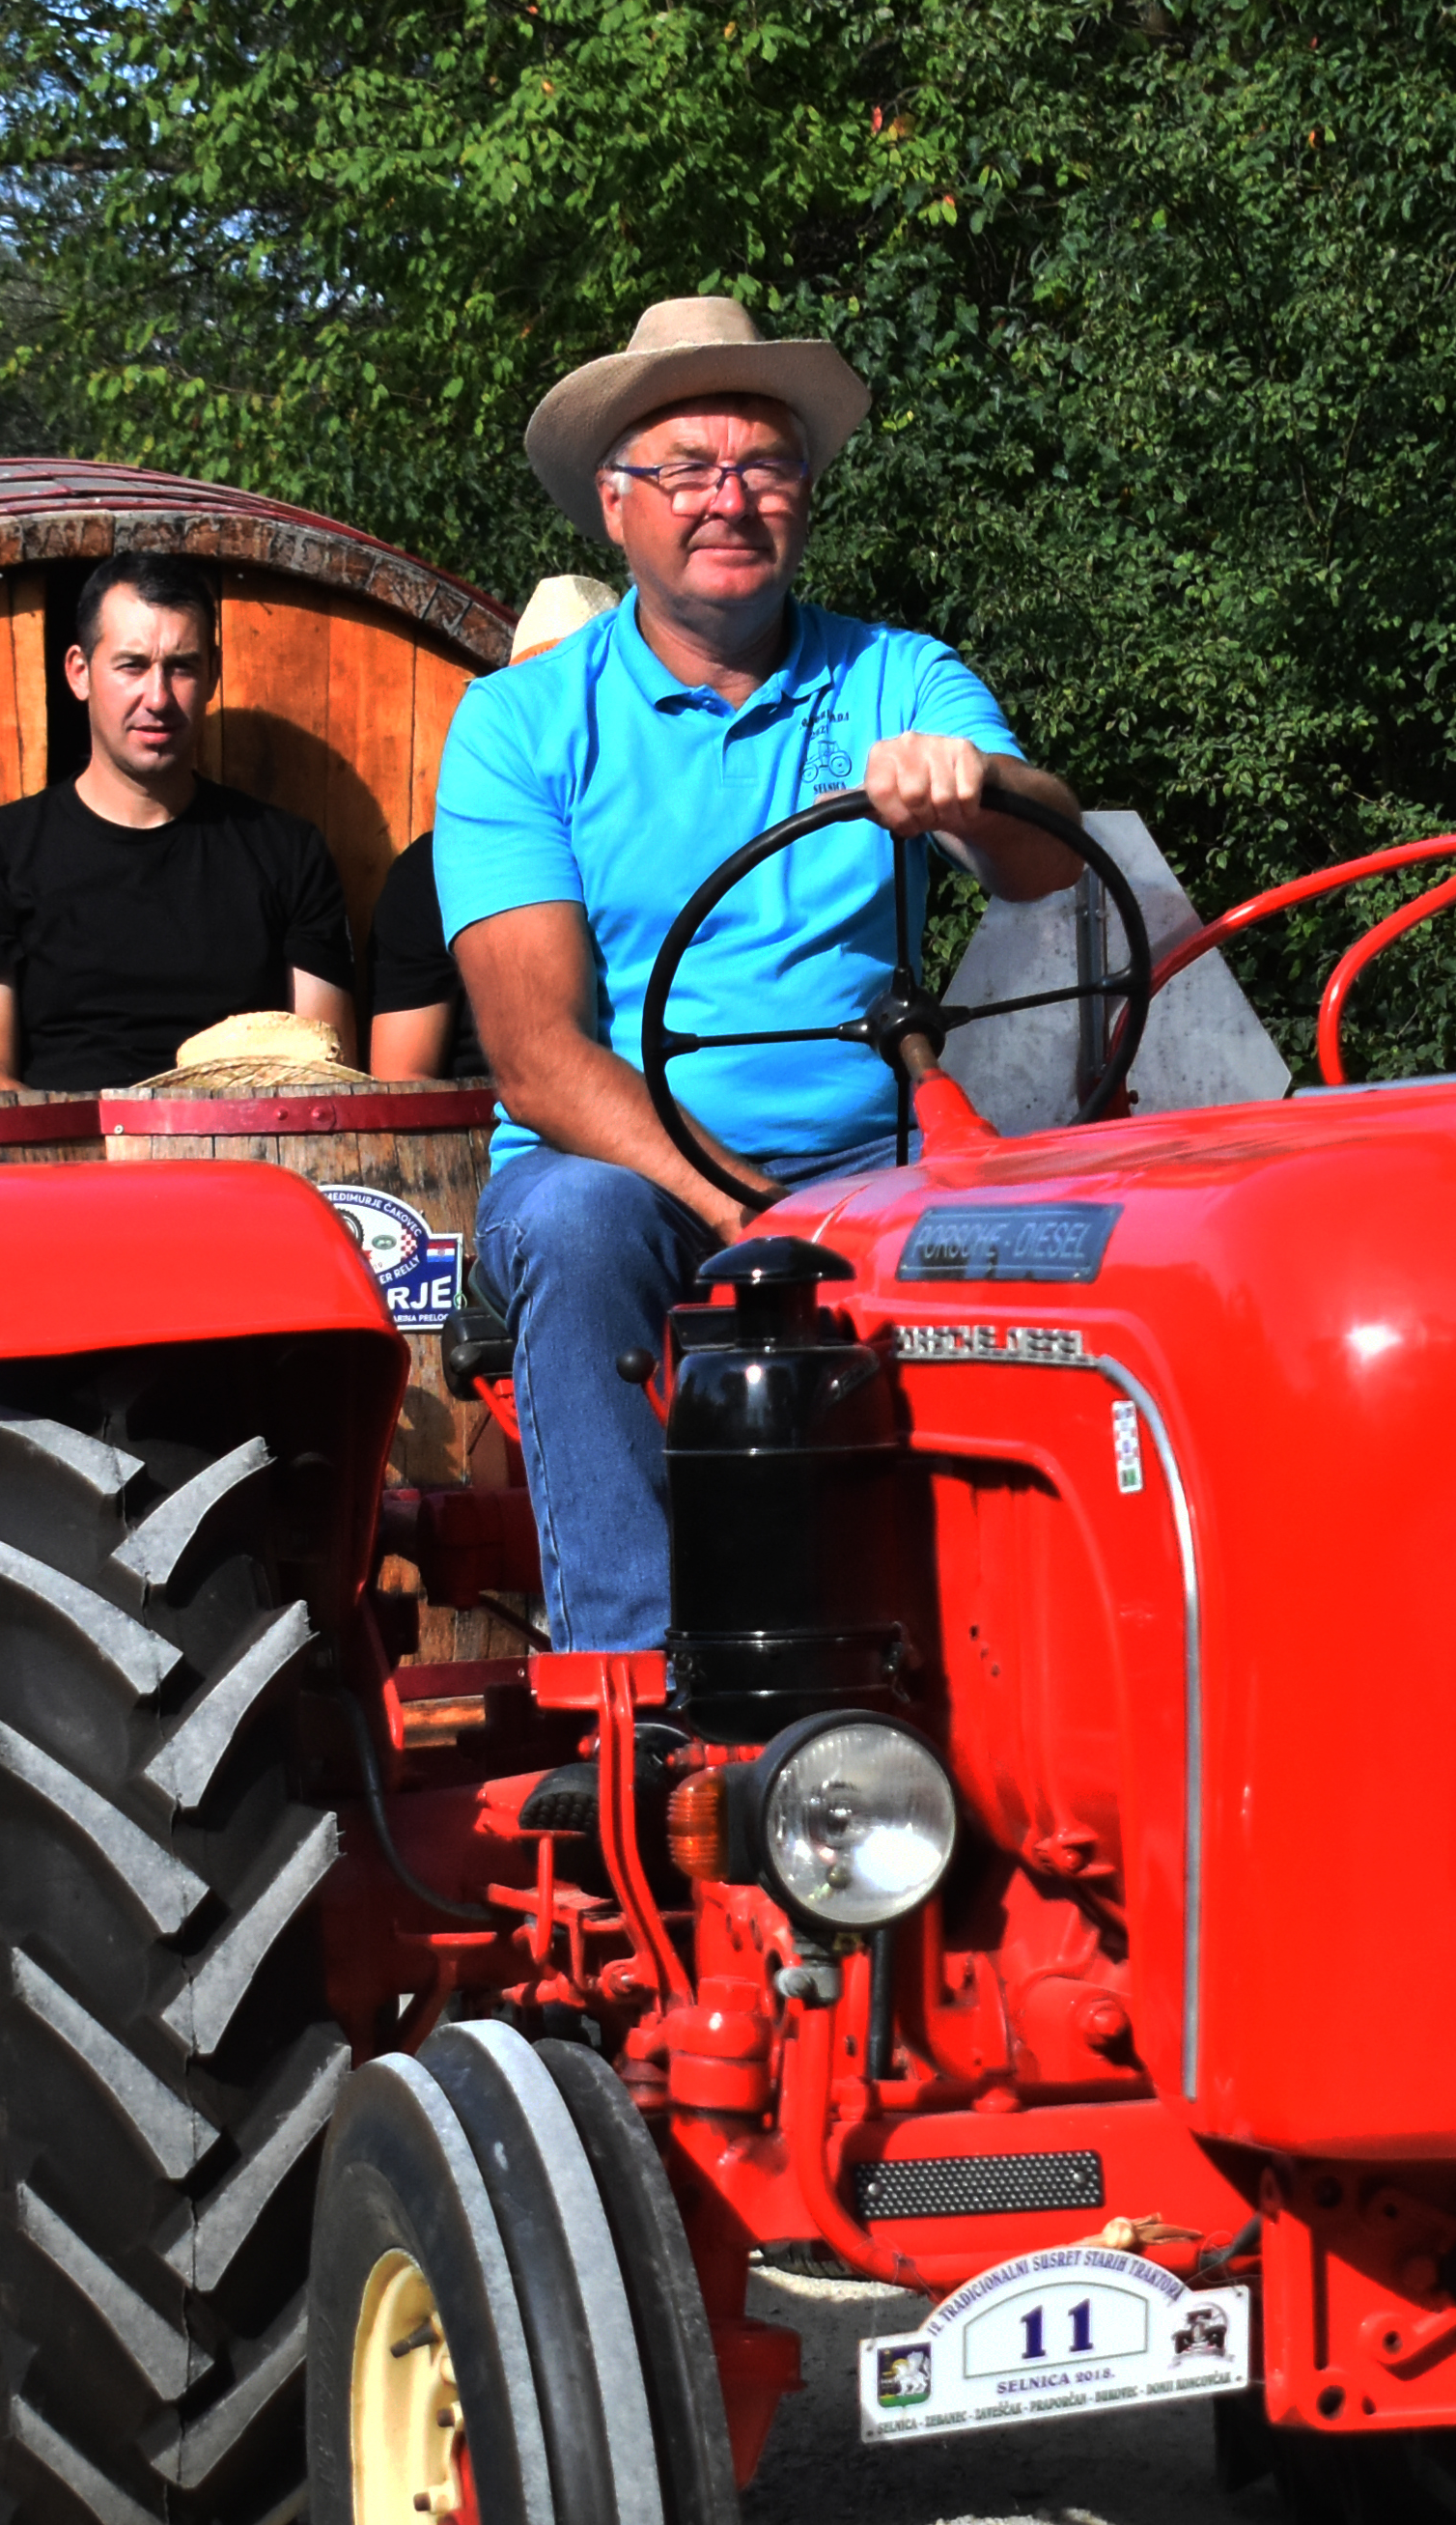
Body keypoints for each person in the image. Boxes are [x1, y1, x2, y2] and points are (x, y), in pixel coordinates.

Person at [441, 296, 1087, 1649]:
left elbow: (1048, 862)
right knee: (578, 1225)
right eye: (687, 469)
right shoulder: (520, 723)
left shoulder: (895, 674)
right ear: (616, 507)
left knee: (1101, 1239)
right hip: (633, 1175)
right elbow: (538, 1057)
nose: (727, 500)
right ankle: (642, 1680)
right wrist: (742, 1205)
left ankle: (1024, 1649)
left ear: (804, 499)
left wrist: (974, 791)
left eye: (765, 467)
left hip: (882, 1165)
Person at [0, 555, 352, 1094]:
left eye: (181, 667)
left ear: (212, 675)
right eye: (131, 665)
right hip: (66, 1163)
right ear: (79, 672)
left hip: (244, 1160)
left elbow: (326, 1072)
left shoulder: (289, 854)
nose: (157, 698)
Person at [371, 576, 621, 1083]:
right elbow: (403, 1084)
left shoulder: (674, 840)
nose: (569, 724)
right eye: (543, 698)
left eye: (594, 704)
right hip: (493, 1144)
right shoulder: (430, 873)